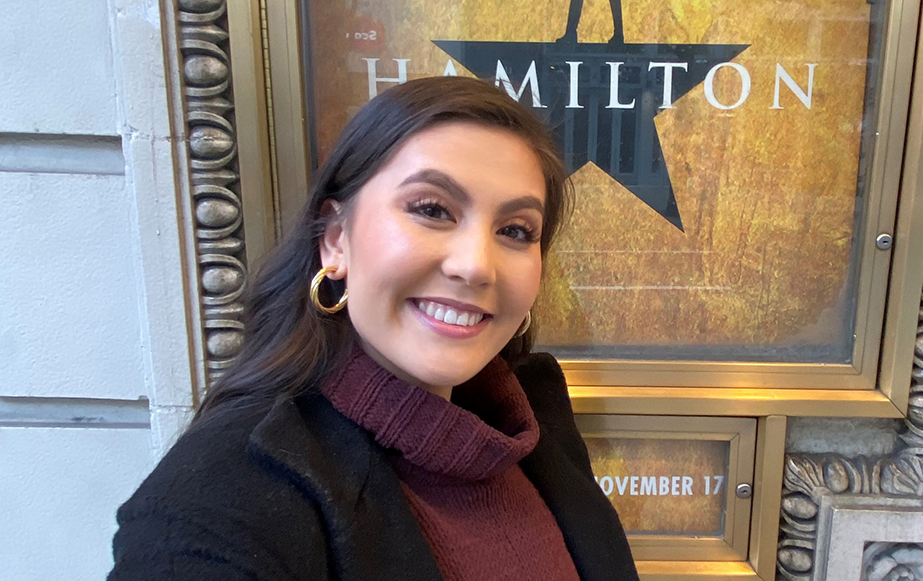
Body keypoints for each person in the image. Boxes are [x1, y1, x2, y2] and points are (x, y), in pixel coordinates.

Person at [108, 77, 639, 581]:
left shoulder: (530, 423)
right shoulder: (219, 502)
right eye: (433, 209)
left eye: (516, 231)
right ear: (336, 239)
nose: (477, 266)